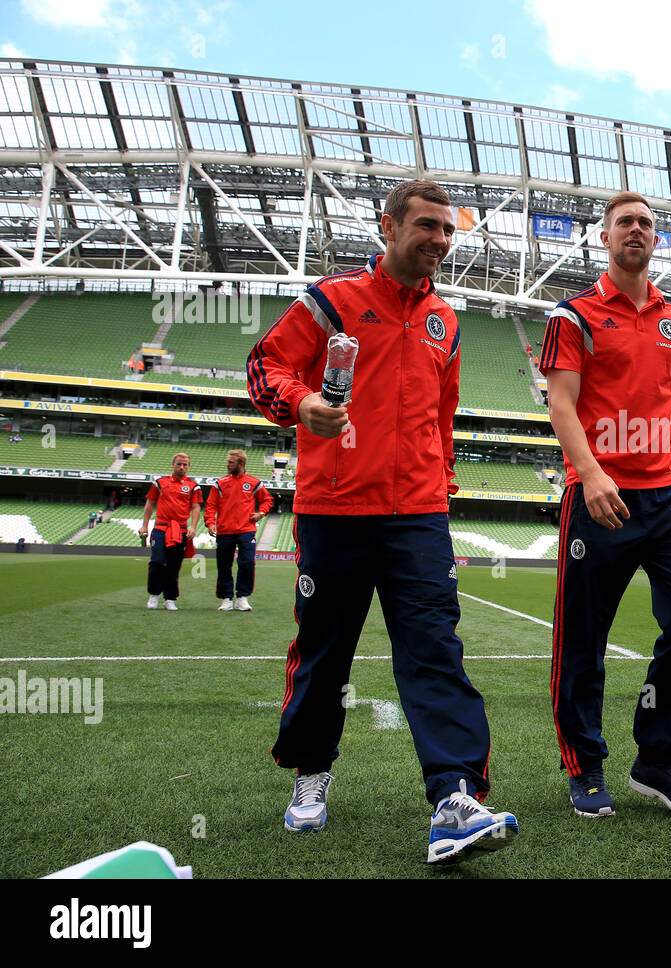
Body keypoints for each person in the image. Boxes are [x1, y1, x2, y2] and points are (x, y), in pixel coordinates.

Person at [246, 179, 517, 864]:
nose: (439, 241)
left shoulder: (447, 324)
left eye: (449, 231)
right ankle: (312, 773)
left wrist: (441, 484)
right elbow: (263, 366)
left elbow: (442, 414)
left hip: (418, 516)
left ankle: (455, 797)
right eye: (426, 225)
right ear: (387, 227)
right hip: (335, 509)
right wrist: (303, 403)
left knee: (435, 651)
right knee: (325, 651)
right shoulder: (330, 300)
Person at [540, 190, 671, 820]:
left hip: (668, 498)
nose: (634, 230)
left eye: (645, 223)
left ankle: (658, 760)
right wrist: (588, 474)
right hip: (599, 498)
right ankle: (585, 767)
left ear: (655, 239)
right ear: (605, 238)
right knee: (583, 639)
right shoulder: (573, 316)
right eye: (623, 223)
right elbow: (561, 403)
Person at [204, 449, 273, 611]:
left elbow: (267, 499)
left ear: (241, 464)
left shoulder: (254, 483)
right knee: (224, 565)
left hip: (246, 530)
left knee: (247, 562)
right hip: (224, 531)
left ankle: (242, 597)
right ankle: (226, 598)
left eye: (231, 462)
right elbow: (211, 505)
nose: (227, 465)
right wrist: (210, 522)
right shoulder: (220, 484)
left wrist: (261, 513)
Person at [138, 452, 203, 610]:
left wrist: (193, 527)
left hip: (180, 529)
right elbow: (149, 504)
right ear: (173, 464)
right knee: (157, 561)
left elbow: (196, 507)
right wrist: (145, 525)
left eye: (185, 464)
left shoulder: (194, 486)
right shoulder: (159, 483)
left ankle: (170, 598)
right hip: (161, 527)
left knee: (174, 564)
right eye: (179, 464)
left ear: (188, 466)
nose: (182, 467)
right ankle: (154, 594)